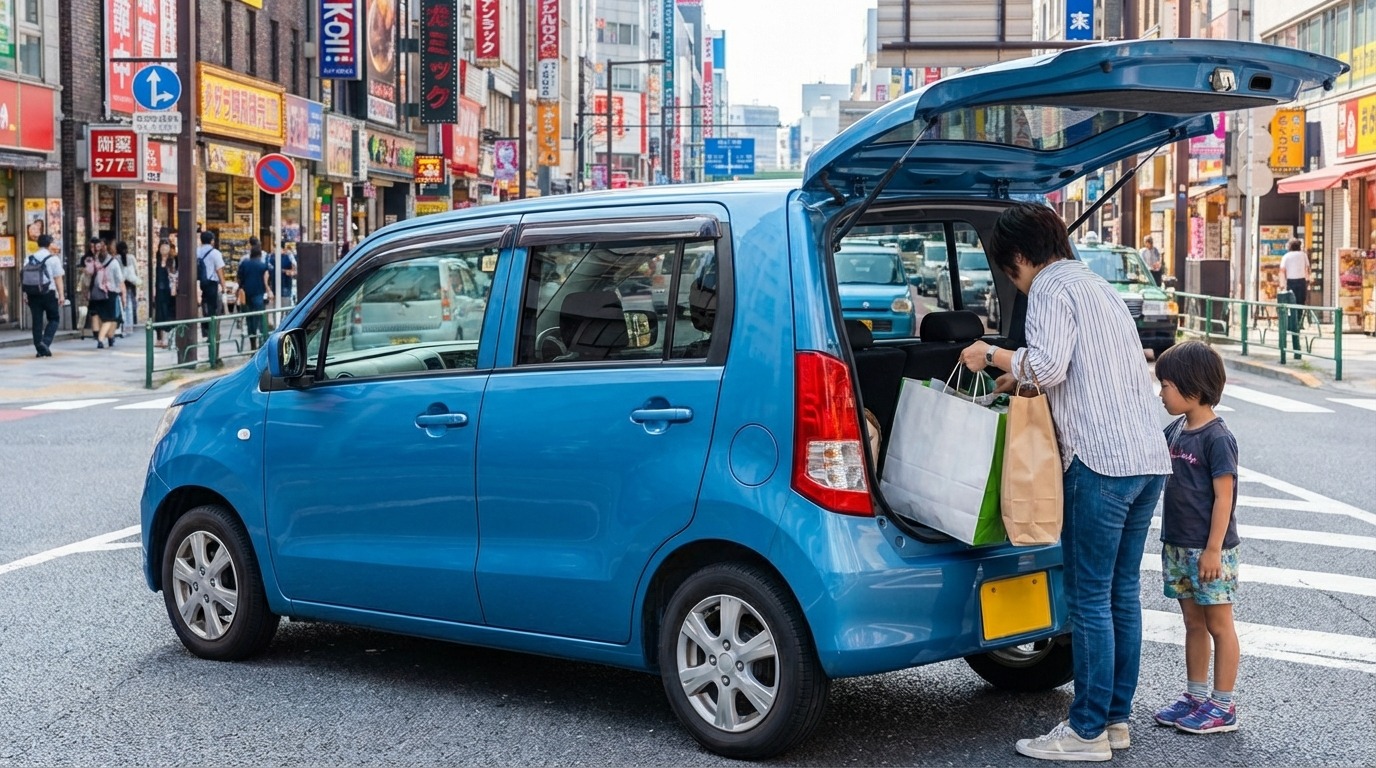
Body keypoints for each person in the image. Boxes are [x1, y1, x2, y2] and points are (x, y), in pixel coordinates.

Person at [957, 203, 1171, 762]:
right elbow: (1077, 367)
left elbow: (1049, 366)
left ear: (1022, 257)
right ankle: (1114, 720)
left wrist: (991, 352)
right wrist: (1017, 368)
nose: (1015, 281)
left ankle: (1085, 731)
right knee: (1121, 594)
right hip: (1147, 457)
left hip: (1100, 462)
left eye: (1012, 272)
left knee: (1091, 599)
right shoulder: (1094, 284)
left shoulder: (1049, 289)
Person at [1151, 340, 1241, 735]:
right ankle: (1195, 695)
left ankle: (1223, 705)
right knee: (1191, 622)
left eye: (1165, 385)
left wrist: (1213, 550)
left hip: (1209, 551)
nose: (1160, 393)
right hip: (1177, 544)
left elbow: (1225, 498)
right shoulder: (1176, 429)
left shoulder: (1217, 438)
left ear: (1192, 387)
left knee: (1219, 624)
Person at [22, 234, 64, 357]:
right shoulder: (53, 259)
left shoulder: (29, 258)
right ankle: (44, 344)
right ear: (49, 244)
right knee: (54, 318)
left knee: (37, 321)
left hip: (32, 293)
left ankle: (39, 347)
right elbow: (58, 278)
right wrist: (61, 295)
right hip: (48, 293)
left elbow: (26, 278)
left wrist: (25, 294)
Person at [86, 237, 124, 349]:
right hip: (110, 293)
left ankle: (108, 338)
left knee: (98, 316)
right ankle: (101, 340)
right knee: (110, 318)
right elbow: (119, 279)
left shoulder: (91, 261)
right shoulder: (113, 262)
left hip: (95, 292)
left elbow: (87, 276)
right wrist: (122, 293)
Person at [237, 237, 273, 350]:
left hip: (246, 294)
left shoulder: (244, 263)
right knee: (260, 319)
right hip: (258, 294)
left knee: (250, 319)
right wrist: (268, 291)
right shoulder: (262, 266)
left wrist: (241, 287)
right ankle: (262, 343)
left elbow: (239, 278)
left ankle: (252, 343)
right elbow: (266, 280)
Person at [1279, 238, 1308, 359]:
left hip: (1291, 281)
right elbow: (1307, 268)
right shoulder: (1303, 255)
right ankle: (1299, 324)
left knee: (1290, 304)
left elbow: (1282, 270)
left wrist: (1282, 284)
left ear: (1290, 246)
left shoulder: (1286, 256)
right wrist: (1308, 281)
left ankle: (1291, 324)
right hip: (1301, 281)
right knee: (1300, 303)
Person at [196, 230, 226, 319]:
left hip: (198, 282)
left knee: (202, 303)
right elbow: (219, 270)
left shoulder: (196, 251)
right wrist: (223, 285)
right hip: (211, 282)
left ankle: (204, 327)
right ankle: (211, 327)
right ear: (212, 240)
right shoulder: (215, 253)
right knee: (212, 306)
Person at [154, 239, 178, 348]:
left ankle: (168, 338)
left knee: (167, 313)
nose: (164, 249)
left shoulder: (172, 260)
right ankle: (159, 339)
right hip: (158, 290)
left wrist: (173, 288)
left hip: (168, 291)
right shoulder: (155, 261)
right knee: (158, 314)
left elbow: (174, 276)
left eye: (166, 247)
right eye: (162, 247)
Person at [117, 240, 142, 330]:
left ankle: (123, 325)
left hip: (121, 284)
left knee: (122, 304)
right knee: (130, 304)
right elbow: (136, 270)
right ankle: (130, 326)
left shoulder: (116, 259)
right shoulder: (131, 257)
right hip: (131, 283)